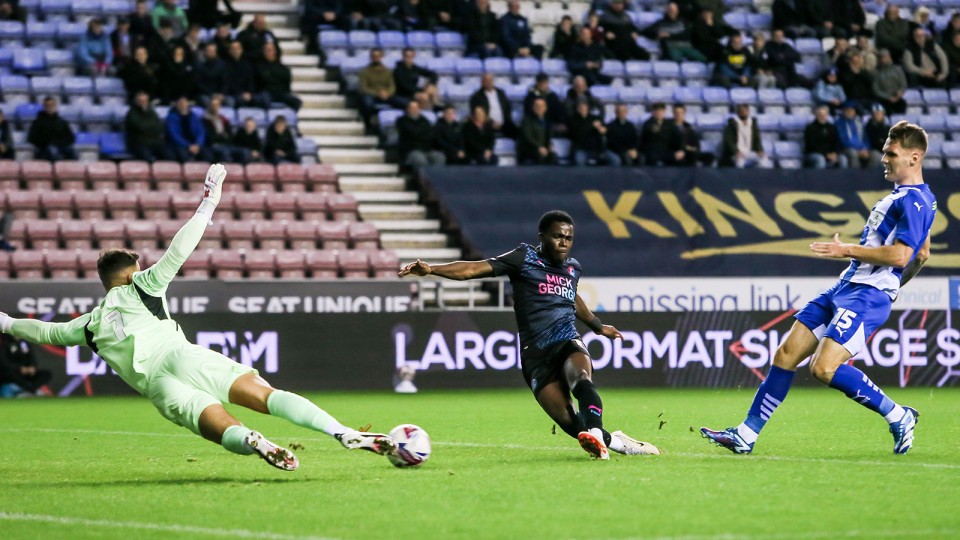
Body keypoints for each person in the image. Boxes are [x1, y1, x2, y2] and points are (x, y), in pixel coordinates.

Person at [0, 165, 399, 469]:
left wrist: (3, 322)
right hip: (181, 356)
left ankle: (255, 442)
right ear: (130, 271)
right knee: (266, 396)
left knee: (222, 425)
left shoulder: (88, 326)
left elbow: (39, 330)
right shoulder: (142, 286)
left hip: (159, 388)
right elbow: (180, 248)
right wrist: (210, 199)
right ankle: (342, 432)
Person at [702, 121, 935, 456]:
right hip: (847, 286)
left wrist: (852, 255)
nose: (884, 158)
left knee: (823, 368)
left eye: (891, 152)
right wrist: (892, 284)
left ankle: (899, 415)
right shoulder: (916, 199)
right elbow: (922, 253)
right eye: (885, 151)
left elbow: (901, 255)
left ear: (914, 157)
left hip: (866, 294)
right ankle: (746, 434)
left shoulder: (913, 201)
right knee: (786, 354)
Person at [399, 210, 660, 459]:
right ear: (542, 237)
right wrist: (432, 269)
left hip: (566, 340)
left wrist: (597, 326)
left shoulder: (572, 268)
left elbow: (571, 296)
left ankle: (596, 434)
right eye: (557, 236)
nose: (563, 242)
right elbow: (473, 270)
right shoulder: (523, 258)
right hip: (535, 354)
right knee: (570, 422)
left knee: (580, 378)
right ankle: (616, 442)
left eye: (569, 238)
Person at [358, 48, 407, 123]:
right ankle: (368, 124)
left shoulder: (388, 71)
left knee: (404, 102)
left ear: (381, 57)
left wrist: (387, 93)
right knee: (367, 103)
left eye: (378, 56)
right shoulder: (364, 71)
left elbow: (392, 86)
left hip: (386, 95)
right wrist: (377, 93)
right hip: (372, 95)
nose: (376, 58)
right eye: (373, 56)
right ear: (370, 58)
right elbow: (363, 88)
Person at [568, 100, 619, 166]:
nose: (583, 110)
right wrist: (592, 126)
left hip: (597, 149)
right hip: (581, 149)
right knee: (579, 161)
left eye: (585, 108)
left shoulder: (595, 118)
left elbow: (605, 128)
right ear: (578, 109)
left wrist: (603, 129)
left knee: (615, 160)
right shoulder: (573, 120)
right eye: (581, 108)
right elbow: (577, 131)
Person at [720, 103, 772, 168]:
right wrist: (736, 152)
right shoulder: (731, 124)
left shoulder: (752, 124)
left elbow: (757, 139)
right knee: (740, 162)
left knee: (764, 160)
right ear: (738, 112)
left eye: (745, 111)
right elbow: (729, 141)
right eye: (741, 111)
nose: (743, 112)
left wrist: (759, 150)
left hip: (749, 152)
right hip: (736, 153)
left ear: (748, 111)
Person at [397, 101, 444, 170]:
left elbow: (431, 134)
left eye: (416, 108)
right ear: (407, 109)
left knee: (439, 157)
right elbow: (413, 133)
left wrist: (420, 134)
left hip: (427, 149)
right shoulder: (402, 120)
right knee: (420, 159)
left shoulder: (424, 120)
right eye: (412, 108)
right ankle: (422, 179)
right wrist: (422, 133)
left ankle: (437, 178)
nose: (415, 110)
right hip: (411, 150)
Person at [126, 91, 172, 163]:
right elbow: (140, 127)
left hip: (155, 141)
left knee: (170, 156)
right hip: (139, 143)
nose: (143, 103)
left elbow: (159, 127)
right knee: (148, 159)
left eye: (145, 101)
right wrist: (150, 125)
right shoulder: (131, 113)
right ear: (136, 101)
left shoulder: (151, 112)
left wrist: (148, 125)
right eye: (140, 101)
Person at [28, 97, 77, 162]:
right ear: (44, 107)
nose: (50, 108)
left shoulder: (62, 122)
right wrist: (46, 143)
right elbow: (31, 138)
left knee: (73, 152)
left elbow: (70, 138)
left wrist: (60, 143)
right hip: (44, 148)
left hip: (61, 146)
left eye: (52, 105)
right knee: (52, 150)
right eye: (48, 106)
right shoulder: (38, 122)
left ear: (55, 106)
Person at [203, 96, 249, 163]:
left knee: (245, 151)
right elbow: (210, 136)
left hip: (227, 144)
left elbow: (230, 134)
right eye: (213, 105)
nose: (215, 107)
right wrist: (223, 136)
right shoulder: (205, 120)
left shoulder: (223, 119)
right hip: (214, 145)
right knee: (225, 152)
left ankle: (241, 171)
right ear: (209, 106)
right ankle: (228, 172)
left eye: (217, 105)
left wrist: (225, 137)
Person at [224, 40, 269, 109]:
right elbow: (228, 84)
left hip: (248, 94)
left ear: (241, 50)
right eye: (233, 49)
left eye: (237, 48)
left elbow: (251, 81)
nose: (235, 51)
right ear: (229, 51)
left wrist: (250, 93)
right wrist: (241, 93)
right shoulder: (225, 65)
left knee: (264, 98)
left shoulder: (248, 64)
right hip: (234, 94)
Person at [469, 73, 516, 137]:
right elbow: (476, 113)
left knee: (518, 132)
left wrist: (506, 120)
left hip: (504, 123)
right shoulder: (477, 97)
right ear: (482, 83)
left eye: (490, 80)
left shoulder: (501, 93)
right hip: (487, 124)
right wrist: (489, 122)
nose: (489, 83)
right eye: (486, 81)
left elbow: (507, 108)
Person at [257, 42, 301, 110]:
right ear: (263, 52)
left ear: (275, 52)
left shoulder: (283, 68)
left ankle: (288, 118)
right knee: (264, 99)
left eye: (271, 50)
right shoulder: (259, 67)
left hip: (280, 93)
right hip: (266, 92)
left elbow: (287, 84)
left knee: (296, 101)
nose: (269, 52)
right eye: (267, 50)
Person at [166, 96, 211, 163]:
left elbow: (201, 132)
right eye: (181, 103)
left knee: (207, 154)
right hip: (179, 144)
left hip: (195, 144)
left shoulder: (194, 116)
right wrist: (188, 145)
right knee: (183, 155)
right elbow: (174, 135)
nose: (183, 105)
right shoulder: (171, 117)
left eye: (185, 103)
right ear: (176, 104)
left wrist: (198, 144)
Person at [836, 101, 879, 169]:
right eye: (848, 110)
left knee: (875, 155)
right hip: (847, 149)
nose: (850, 112)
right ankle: (855, 177)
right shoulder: (839, 123)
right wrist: (858, 150)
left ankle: (869, 177)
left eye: (852, 110)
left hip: (862, 149)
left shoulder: (858, 123)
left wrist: (865, 149)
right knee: (853, 153)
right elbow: (843, 140)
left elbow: (865, 138)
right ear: (843, 111)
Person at [804, 105, 848, 169]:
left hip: (830, 154)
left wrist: (835, 153)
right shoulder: (810, 128)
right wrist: (826, 154)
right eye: (820, 114)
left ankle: (843, 178)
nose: (822, 117)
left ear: (827, 115)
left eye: (824, 115)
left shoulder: (832, 127)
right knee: (820, 159)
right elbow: (811, 145)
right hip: (814, 154)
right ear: (816, 115)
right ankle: (819, 178)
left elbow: (836, 142)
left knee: (843, 159)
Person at [517, 97, 557, 165]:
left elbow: (548, 136)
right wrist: (539, 147)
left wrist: (549, 145)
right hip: (529, 151)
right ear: (533, 108)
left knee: (553, 157)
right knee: (539, 156)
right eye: (537, 106)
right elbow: (528, 137)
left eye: (541, 106)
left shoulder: (548, 121)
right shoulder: (527, 121)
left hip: (544, 150)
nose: (539, 108)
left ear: (545, 108)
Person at [872, 49, 908, 114]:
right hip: (884, 99)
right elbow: (876, 89)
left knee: (902, 105)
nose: (884, 59)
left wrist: (900, 92)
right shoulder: (876, 73)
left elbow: (903, 83)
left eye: (885, 57)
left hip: (897, 97)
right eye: (882, 57)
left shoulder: (898, 69)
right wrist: (888, 97)